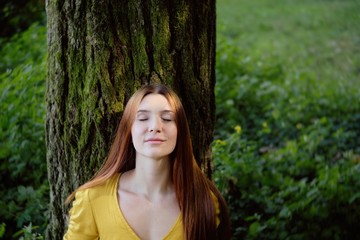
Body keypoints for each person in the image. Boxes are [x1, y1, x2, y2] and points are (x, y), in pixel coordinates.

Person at [64, 84, 231, 240]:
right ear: (128, 130)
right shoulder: (93, 198)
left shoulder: (204, 200)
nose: (155, 127)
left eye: (167, 118)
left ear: (180, 131)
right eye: (143, 118)